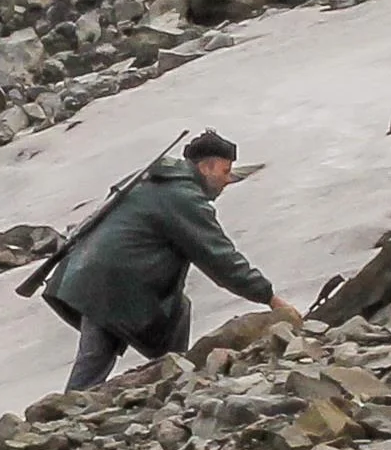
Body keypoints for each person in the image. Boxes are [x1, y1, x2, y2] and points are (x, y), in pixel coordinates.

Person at [45, 133, 287, 392]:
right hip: (114, 284)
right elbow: (220, 259)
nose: (228, 179)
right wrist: (270, 297)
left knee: (106, 348)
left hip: (88, 271)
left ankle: (168, 378)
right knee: (98, 354)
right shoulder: (183, 197)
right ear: (206, 167)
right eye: (225, 171)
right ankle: (170, 380)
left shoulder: (151, 178)